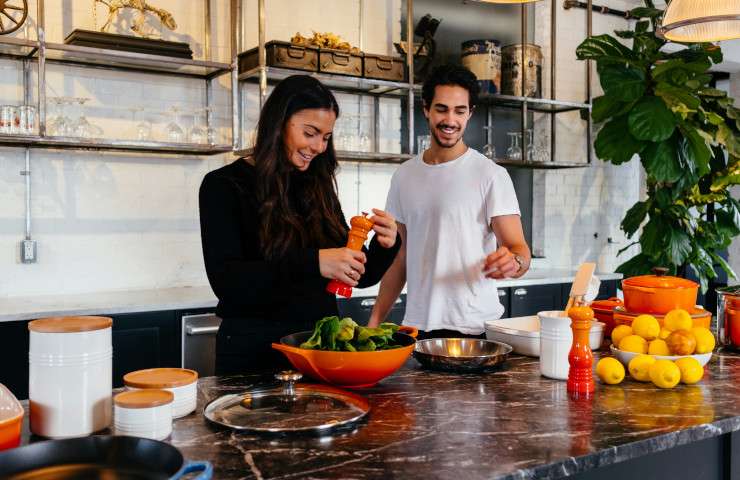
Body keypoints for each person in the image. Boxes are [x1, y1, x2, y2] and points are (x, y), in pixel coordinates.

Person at [199, 75, 401, 374]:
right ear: (279, 122)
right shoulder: (223, 185)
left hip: (317, 350)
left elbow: (356, 275)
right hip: (253, 353)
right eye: (311, 132)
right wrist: (315, 262)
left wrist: (385, 245)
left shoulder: (317, 185)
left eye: (326, 137)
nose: (319, 146)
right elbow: (228, 282)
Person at [368, 64, 531, 340]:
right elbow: (400, 257)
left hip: (475, 329)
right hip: (418, 328)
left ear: (470, 114)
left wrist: (513, 262)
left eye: (459, 111)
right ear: (426, 110)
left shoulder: (490, 175)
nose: (450, 120)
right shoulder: (404, 176)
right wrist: (373, 322)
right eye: (441, 109)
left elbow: (519, 251)